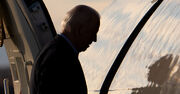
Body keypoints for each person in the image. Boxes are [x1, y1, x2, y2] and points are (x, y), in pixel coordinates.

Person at [30, 5, 100, 94]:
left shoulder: (54, 51)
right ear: (79, 30)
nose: (94, 39)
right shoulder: (60, 58)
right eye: (92, 33)